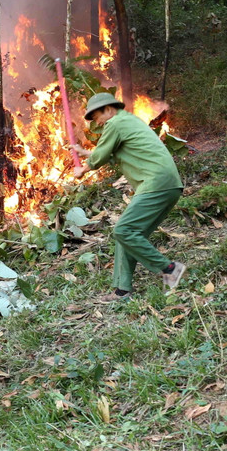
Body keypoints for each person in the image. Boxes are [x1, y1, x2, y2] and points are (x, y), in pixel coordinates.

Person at [71, 93, 186, 299]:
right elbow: (111, 153)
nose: (95, 122)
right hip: (168, 185)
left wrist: (83, 169)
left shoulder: (115, 123)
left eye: (96, 116)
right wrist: (85, 153)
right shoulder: (129, 120)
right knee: (127, 234)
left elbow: (100, 157)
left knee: (123, 230)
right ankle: (122, 290)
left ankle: (169, 269)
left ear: (108, 109)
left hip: (156, 183)